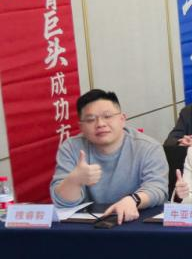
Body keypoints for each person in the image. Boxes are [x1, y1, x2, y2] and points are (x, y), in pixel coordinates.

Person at [51, 89, 168, 222]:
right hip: (90, 226)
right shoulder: (71, 148)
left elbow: (158, 189)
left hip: (137, 220)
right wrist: (74, 180)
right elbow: (63, 203)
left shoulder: (148, 147)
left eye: (107, 116)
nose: (100, 124)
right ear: (81, 127)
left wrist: (132, 200)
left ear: (122, 119)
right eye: (90, 119)